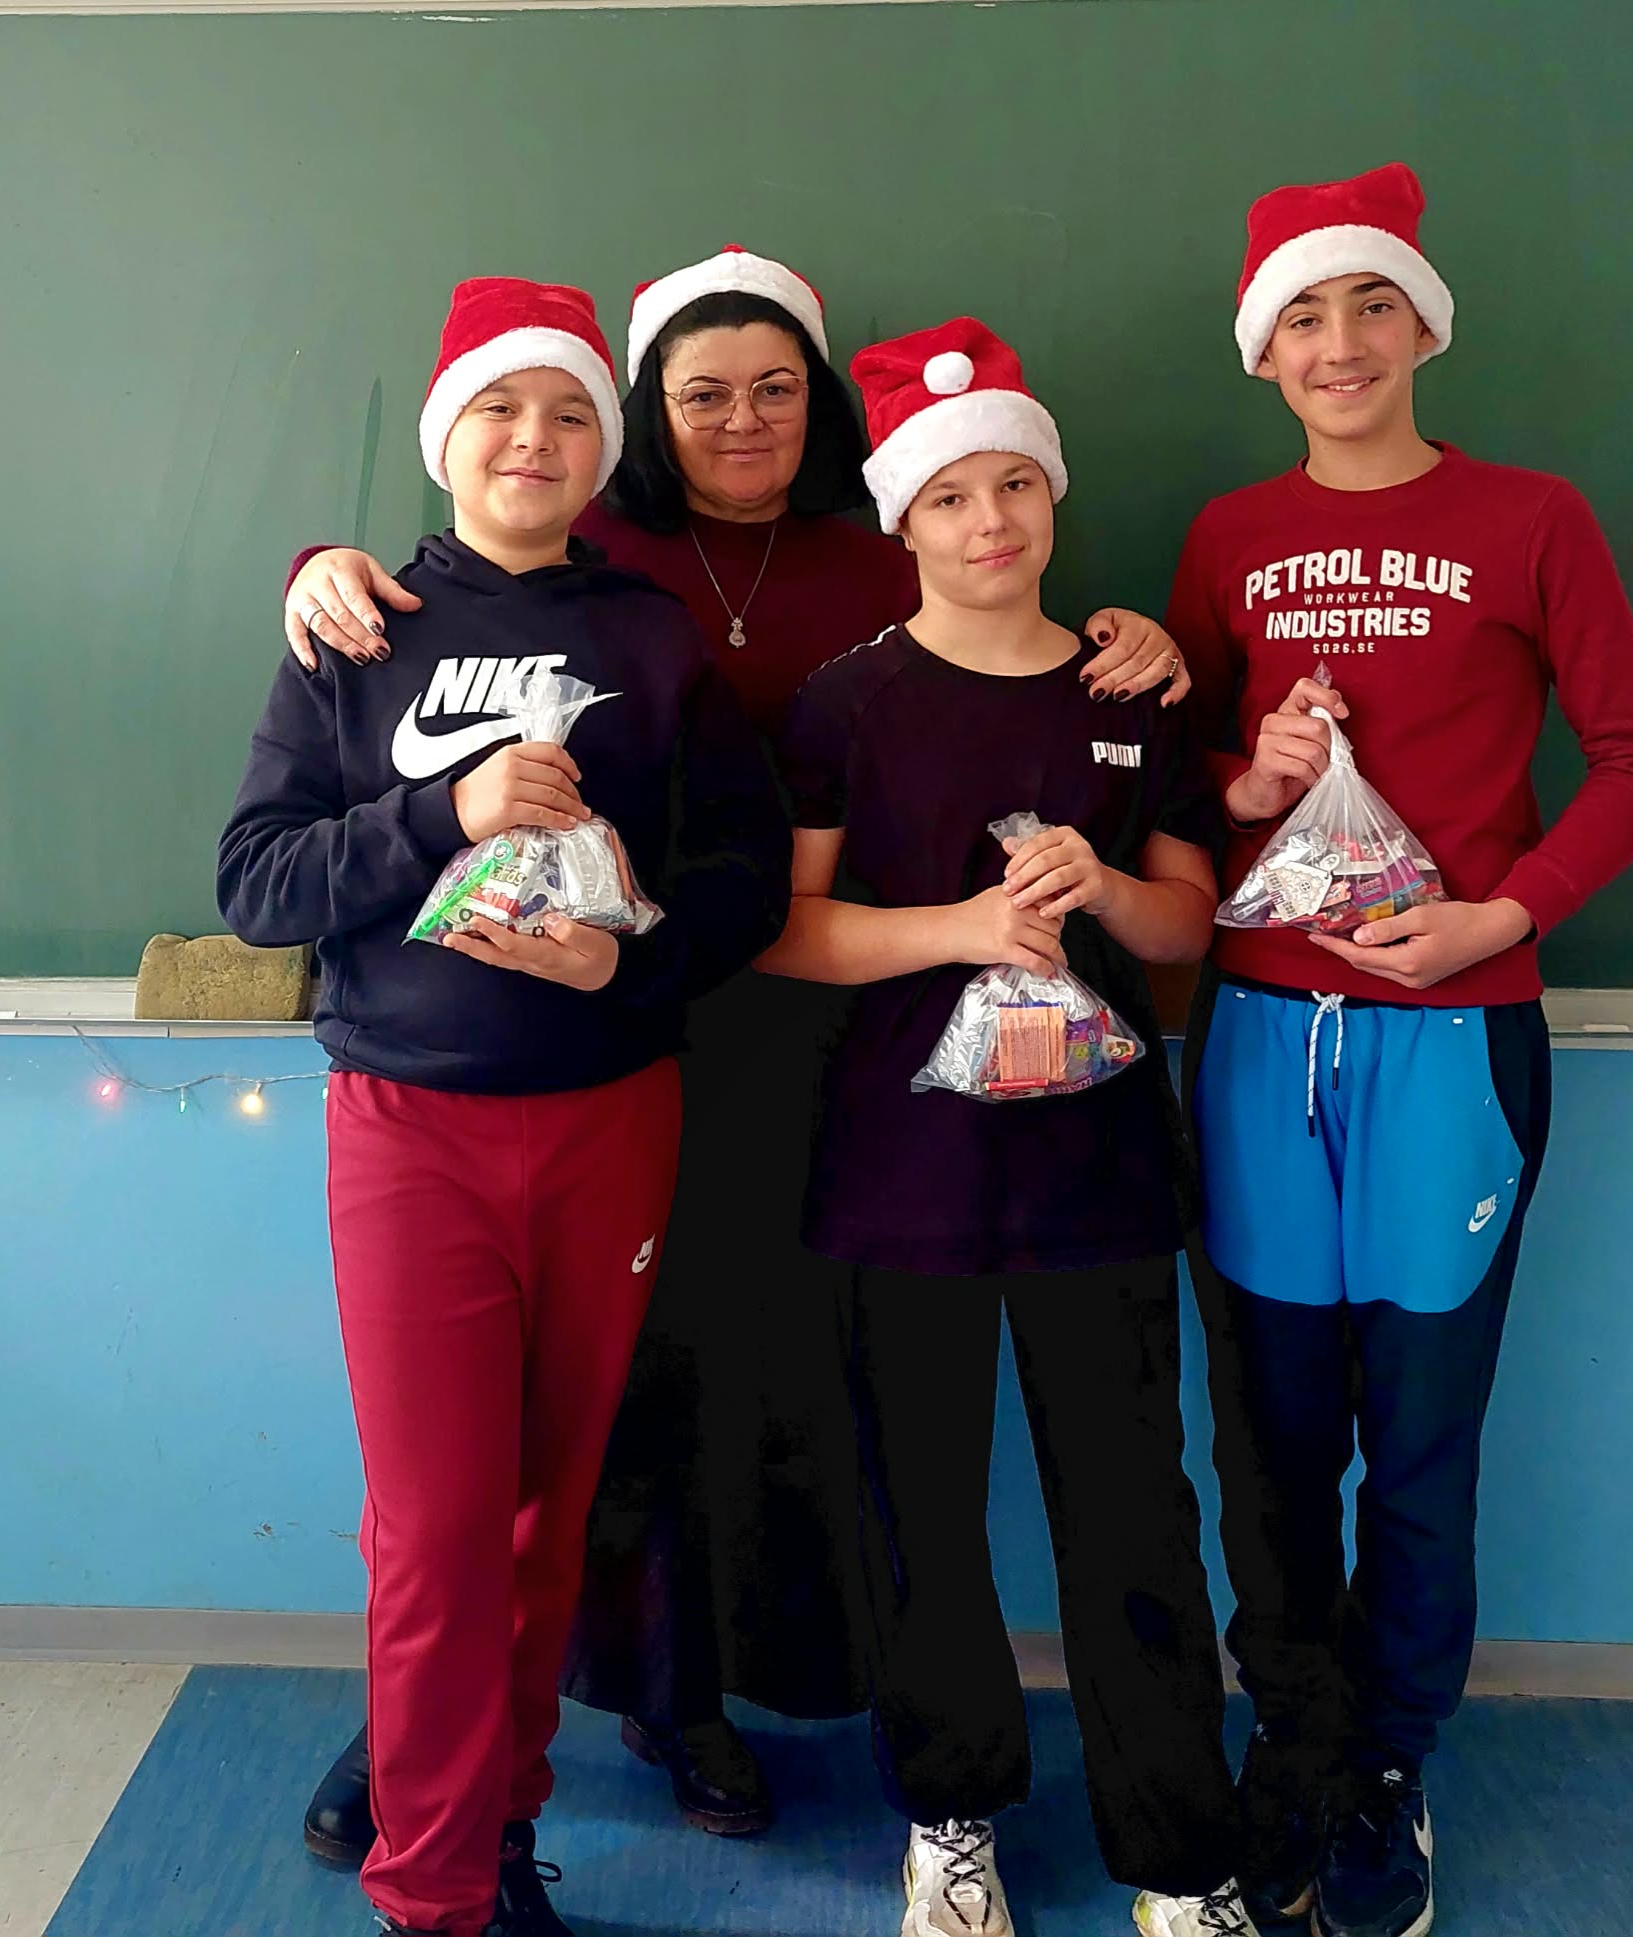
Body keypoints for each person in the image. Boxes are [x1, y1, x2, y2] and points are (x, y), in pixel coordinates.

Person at [283, 248, 1197, 1861]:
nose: (742, 419)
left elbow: (1017, 630)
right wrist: (319, 569)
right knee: (548, 1425)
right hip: (583, 1029)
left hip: (837, 1037)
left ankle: (702, 1695)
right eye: (701, 393)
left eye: (777, 388)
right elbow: (442, 596)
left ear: (826, 410)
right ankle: (437, 1729)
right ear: (643, 415)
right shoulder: (591, 541)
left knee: (744, 1383)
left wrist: (1138, 635)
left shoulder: (881, 544)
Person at [218, 274, 791, 1937]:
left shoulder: (653, 636)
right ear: (445, 435)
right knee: (435, 1530)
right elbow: (256, 881)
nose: (531, 438)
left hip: (612, 1120)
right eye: (498, 407)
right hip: (410, 1130)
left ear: (602, 450)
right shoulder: (356, 627)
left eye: (566, 413)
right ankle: (431, 1889)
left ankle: (501, 1831)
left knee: (550, 1519)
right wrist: (443, 814)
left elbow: (745, 875)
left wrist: (632, 960)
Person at [1167, 164, 1633, 1937]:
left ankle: (1390, 1761)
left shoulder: (1534, 517)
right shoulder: (1227, 536)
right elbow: (1186, 791)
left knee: (1421, 1439)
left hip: (1455, 1040)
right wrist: (1248, 772)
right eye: (1304, 316)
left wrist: (1501, 916)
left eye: (1371, 305)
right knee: (1271, 1439)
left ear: (1424, 324)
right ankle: (1292, 1741)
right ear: (1263, 351)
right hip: (1257, 1037)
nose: (1340, 345)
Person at [762, 316, 1257, 1937]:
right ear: (903, 520)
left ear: (1054, 497)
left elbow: (1184, 924)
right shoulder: (846, 703)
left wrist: (1100, 884)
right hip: (897, 1180)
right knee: (919, 1516)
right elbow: (787, 931)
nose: (991, 521)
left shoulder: (1131, 693)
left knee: (1134, 1516)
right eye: (951, 496)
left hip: (1096, 1182)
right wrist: (963, 929)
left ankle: (1179, 1853)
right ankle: (949, 1814)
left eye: (1016, 486)